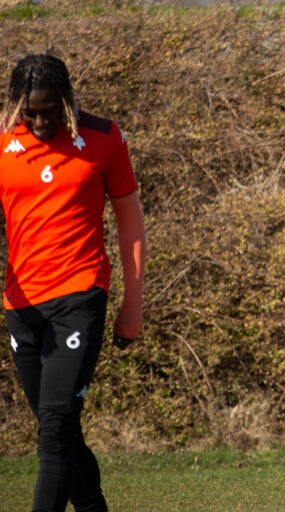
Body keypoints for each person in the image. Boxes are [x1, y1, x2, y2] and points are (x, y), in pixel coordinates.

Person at [0, 54, 145, 512]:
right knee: (57, 426)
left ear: (67, 100)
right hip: (21, 305)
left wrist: (132, 306)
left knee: (56, 427)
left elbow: (130, 224)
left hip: (81, 295)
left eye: (49, 110)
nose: (40, 122)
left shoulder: (103, 137)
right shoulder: (2, 142)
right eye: (31, 113)